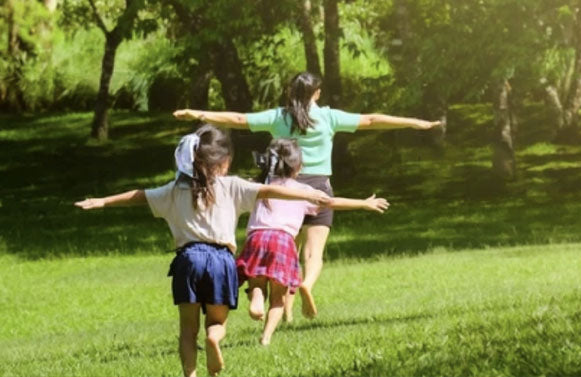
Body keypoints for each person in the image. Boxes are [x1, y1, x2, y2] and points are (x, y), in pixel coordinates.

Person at [173, 71, 441, 321]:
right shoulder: (328, 117)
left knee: (289, 248)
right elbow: (371, 120)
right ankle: (306, 284)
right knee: (313, 252)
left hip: (283, 189)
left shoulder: (279, 117)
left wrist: (196, 113)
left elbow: (240, 120)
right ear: (317, 93)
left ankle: (285, 312)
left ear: (291, 91)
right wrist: (413, 122)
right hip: (318, 187)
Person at [74, 125, 331, 377]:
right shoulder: (232, 186)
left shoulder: (175, 190)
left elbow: (140, 195)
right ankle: (213, 339)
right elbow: (269, 189)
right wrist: (308, 197)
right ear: (225, 162)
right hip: (221, 262)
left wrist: (103, 201)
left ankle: (191, 375)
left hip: (188, 261)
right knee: (217, 324)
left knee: (187, 330)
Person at [237, 138, 389, 345]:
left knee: (257, 282)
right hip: (282, 240)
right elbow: (331, 202)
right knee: (278, 298)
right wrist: (363, 203)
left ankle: (256, 298)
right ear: (297, 167)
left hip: (257, 238)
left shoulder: (259, 186)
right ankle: (265, 339)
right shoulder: (304, 191)